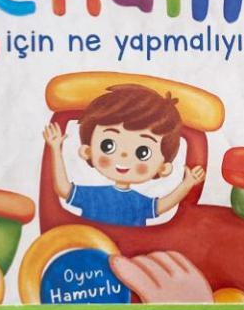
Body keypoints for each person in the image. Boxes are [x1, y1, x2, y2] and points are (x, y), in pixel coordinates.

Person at [43, 83, 205, 227]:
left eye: (142, 153)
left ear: (163, 168)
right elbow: (63, 189)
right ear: (87, 151)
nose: (124, 156)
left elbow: (162, 205)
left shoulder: (138, 203)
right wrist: (56, 148)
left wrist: (187, 183)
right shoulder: (94, 196)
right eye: (108, 146)